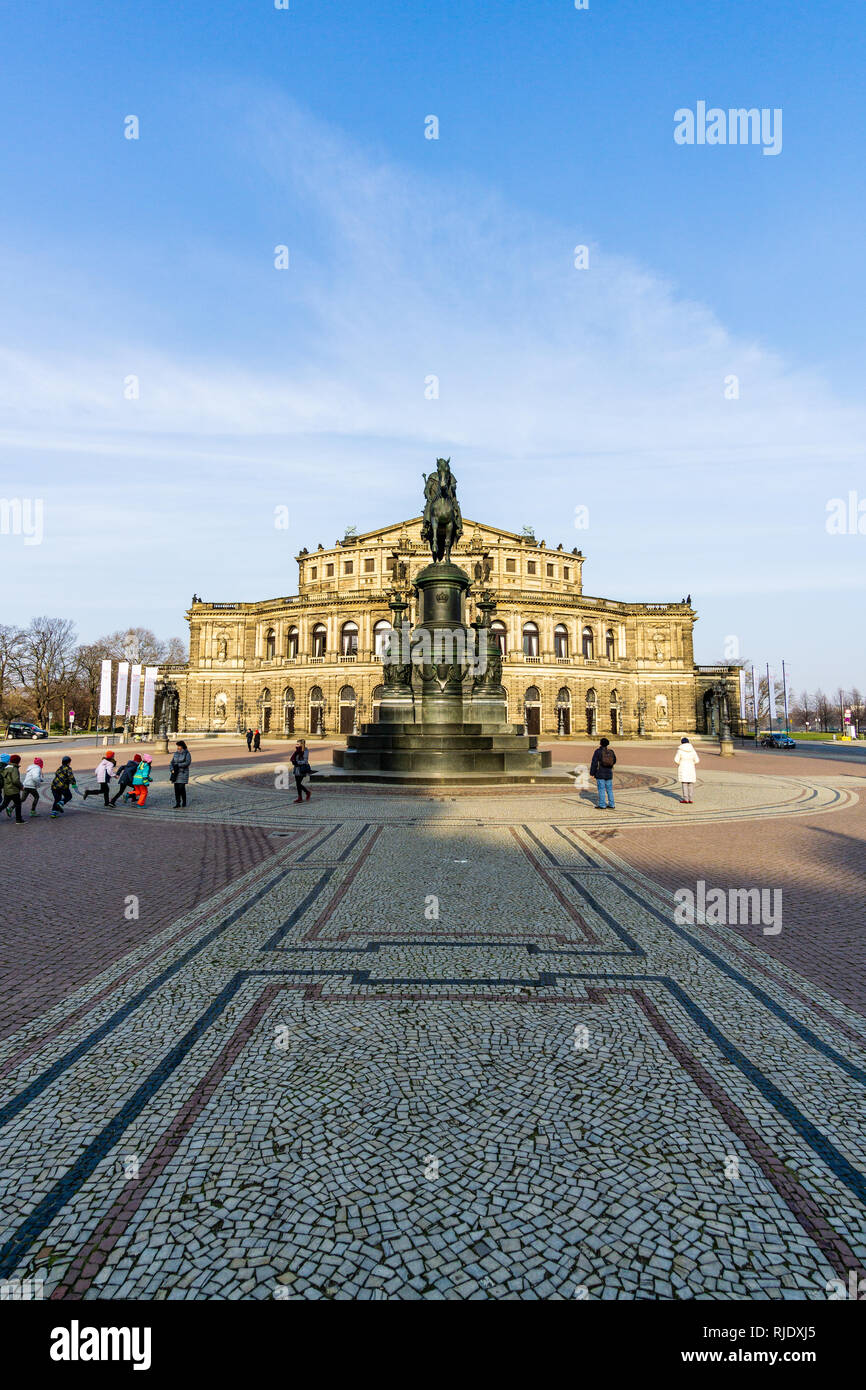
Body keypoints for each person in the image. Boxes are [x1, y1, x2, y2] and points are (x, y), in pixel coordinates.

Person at [589, 736, 616, 809]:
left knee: (601, 789)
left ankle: (602, 804)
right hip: (609, 773)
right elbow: (614, 761)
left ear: (600, 743)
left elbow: (594, 763)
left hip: (600, 773)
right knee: (609, 790)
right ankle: (612, 804)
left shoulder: (598, 751)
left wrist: (592, 773)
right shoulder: (611, 751)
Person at [674, 737, 700, 803]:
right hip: (691, 767)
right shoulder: (693, 750)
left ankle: (685, 799)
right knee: (690, 783)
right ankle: (690, 799)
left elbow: (676, 760)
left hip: (683, 767)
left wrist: (681, 763)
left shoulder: (680, 750)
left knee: (684, 783)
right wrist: (692, 763)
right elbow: (697, 760)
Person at [1, 754, 24, 823]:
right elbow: (15, 780)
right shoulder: (14, 768)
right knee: (18, 804)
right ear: (17, 761)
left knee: (4, 804)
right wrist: (21, 786)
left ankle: (19, 819)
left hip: (7, 790)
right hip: (13, 790)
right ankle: (18, 819)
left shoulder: (6, 767)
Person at [169, 740, 191, 808]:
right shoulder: (175, 753)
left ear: (182, 746)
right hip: (175, 773)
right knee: (176, 789)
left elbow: (187, 762)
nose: (178, 747)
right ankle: (178, 803)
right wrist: (172, 769)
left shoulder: (187, 753)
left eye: (179, 746)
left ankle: (184, 801)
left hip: (183, 772)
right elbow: (171, 762)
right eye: (177, 746)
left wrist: (178, 765)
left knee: (181, 788)